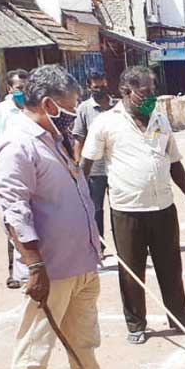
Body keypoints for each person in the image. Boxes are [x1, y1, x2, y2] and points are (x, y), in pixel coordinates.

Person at [0, 65, 148, 369]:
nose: (73, 112)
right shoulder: (17, 145)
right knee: (34, 349)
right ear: (46, 104)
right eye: (68, 105)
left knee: (83, 344)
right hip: (52, 269)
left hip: (81, 264)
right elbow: (14, 210)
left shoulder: (52, 139)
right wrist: (35, 266)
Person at [81, 66, 185, 345]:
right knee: (131, 270)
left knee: (171, 267)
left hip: (163, 207)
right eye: (145, 93)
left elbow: (174, 160)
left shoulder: (159, 119)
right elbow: (86, 164)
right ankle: (136, 324)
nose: (152, 97)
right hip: (127, 209)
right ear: (126, 92)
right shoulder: (106, 123)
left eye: (153, 91)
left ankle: (181, 318)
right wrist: (79, 203)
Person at [0, 69, 30, 290]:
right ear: (10, 89)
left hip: (32, 170)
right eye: (19, 88)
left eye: (26, 86)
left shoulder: (35, 108)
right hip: (8, 173)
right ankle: (14, 273)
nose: (23, 91)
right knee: (13, 222)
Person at [73, 70, 117, 252]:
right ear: (89, 87)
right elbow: (79, 139)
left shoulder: (118, 106)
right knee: (96, 209)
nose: (100, 89)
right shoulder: (84, 109)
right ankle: (100, 246)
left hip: (116, 166)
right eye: (96, 86)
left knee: (119, 208)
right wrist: (79, 166)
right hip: (95, 169)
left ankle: (125, 242)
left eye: (103, 85)